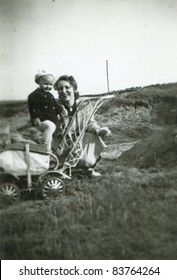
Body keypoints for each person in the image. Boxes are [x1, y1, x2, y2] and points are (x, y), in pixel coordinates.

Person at [52, 75, 111, 178]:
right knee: (58, 160)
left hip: (80, 141)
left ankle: (88, 168)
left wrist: (99, 130)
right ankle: (68, 169)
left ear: (74, 88)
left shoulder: (84, 104)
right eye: (60, 88)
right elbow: (54, 130)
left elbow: (90, 123)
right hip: (62, 143)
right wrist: (62, 119)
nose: (64, 91)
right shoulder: (55, 106)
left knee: (92, 136)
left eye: (67, 87)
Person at [28, 70, 65, 151]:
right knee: (51, 127)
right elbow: (33, 106)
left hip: (50, 120)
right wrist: (35, 117)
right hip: (41, 120)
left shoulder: (50, 95)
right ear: (38, 82)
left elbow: (54, 106)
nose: (48, 86)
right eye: (45, 84)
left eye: (50, 84)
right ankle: (43, 145)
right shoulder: (35, 95)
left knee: (50, 137)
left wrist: (60, 110)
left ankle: (47, 153)